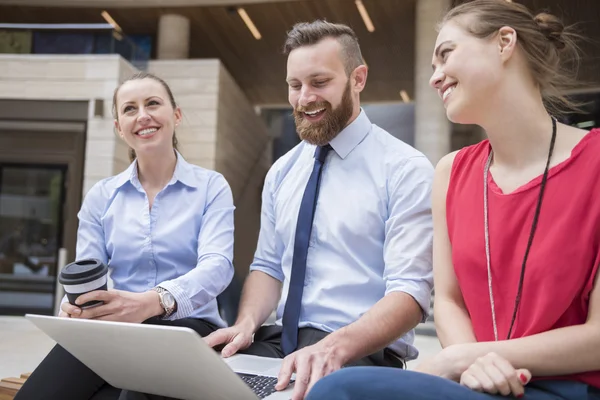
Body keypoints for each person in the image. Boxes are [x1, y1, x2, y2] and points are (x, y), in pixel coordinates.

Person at [305, 1, 600, 400]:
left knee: (341, 389)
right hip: (476, 383)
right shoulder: (450, 171)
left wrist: (461, 358)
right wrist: (471, 362)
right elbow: (447, 299)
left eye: (446, 55)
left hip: (568, 389)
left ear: (504, 43)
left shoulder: (594, 162)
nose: (435, 78)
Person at [198, 20, 435, 400]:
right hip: (280, 345)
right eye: (295, 85)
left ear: (358, 79)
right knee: (178, 384)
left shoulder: (406, 169)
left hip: (360, 355)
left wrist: (334, 348)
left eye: (319, 82)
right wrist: (245, 324)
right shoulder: (282, 171)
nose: (304, 97)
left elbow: (410, 294)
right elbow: (268, 266)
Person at [15, 72, 235, 400]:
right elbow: (87, 271)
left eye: (153, 103)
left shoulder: (211, 187)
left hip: (190, 328)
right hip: (116, 328)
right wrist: (74, 306)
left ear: (176, 115)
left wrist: (152, 301)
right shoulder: (101, 196)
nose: (142, 115)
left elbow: (217, 266)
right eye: (130, 109)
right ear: (119, 127)